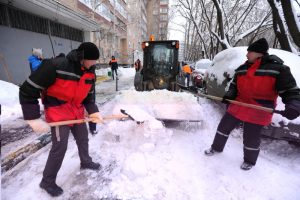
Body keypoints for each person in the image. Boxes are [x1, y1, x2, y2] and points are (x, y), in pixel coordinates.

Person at [19, 42, 103, 197]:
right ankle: (47, 181)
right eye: (92, 60)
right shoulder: (57, 66)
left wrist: (94, 112)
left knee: (83, 139)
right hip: (58, 112)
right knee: (60, 147)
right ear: (82, 57)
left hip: (76, 112)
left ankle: (85, 162)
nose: (94, 64)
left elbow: (89, 97)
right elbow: (27, 89)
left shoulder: (90, 73)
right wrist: (33, 118)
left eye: (95, 61)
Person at [204, 38, 300, 170]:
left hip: (259, 109)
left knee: (251, 138)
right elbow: (234, 85)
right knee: (223, 128)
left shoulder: (278, 69)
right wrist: (229, 95)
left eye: (250, 52)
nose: (247, 54)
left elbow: (290, 90)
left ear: (259, 53)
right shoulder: (242, 68)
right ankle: (216, 148)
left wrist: (294, 105)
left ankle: (249, 161)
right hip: (239, 105)